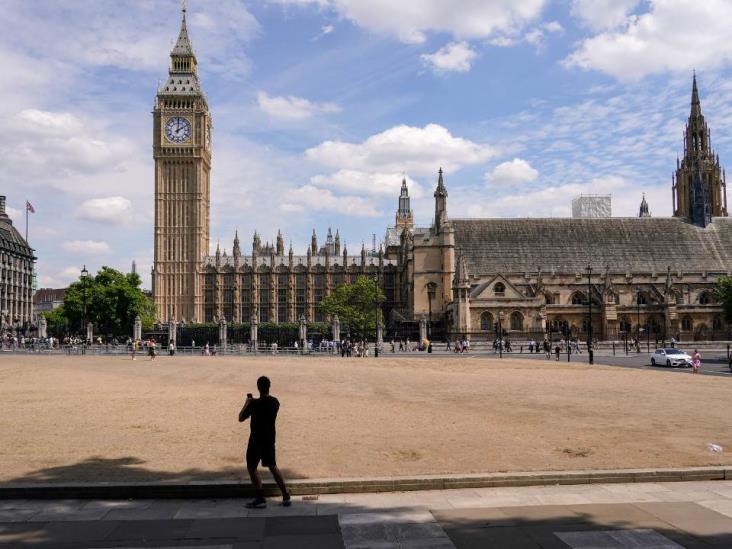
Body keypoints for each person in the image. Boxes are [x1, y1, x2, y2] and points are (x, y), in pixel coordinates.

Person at [239, 376, 290, 508]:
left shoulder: (253, 404)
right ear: (269, 386)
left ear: (258, 387)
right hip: (269, 438)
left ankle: (260, 497)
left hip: (255, 440)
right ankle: (285, 494)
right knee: (273, 466)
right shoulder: (275, 402)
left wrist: (247, 402)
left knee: (252, 468)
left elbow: (240, 417)